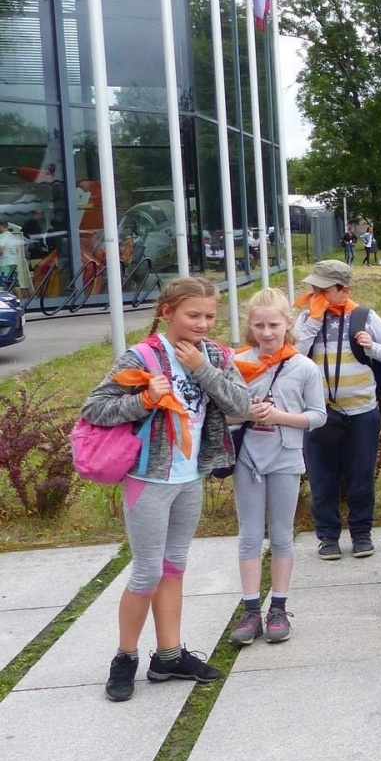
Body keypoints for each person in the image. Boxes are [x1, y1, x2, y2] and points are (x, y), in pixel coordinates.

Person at [83, 278, 253, 701]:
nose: (202, 323)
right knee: (147, 571)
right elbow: (94, 409)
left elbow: (241, 405)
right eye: (193, 315)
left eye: (210, 316)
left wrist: (202, 369)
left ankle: (169, 655)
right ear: (167, 312)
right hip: (149, 480)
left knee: (174, 565)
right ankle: (125, 658)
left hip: (189, 477)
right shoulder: (142, 356)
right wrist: (141, 402)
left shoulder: (213, 354)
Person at [227, 289, 327, 648]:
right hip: (247, 458)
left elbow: (318, 416)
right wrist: (246, 414)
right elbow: (220, 414)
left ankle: (279, 607)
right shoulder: (236, 364)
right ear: (249, 327)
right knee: (250, 533)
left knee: (282, 534)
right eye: (259, 325)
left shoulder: (303, 367)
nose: (267, 332)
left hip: (285, 457)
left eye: (274, 324)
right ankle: (251, 608)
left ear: (288, 323)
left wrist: (279, 416)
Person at [294, 260, 381, 561]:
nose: (317, 294)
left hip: (361, 410)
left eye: (324, 290)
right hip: (319, 411)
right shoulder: (306, 317)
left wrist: (372, 347)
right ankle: (327, 536)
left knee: (360, 473)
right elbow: (293, 355)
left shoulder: (364, 316)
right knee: (321, 475)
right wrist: (313, 321)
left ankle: (361, 533)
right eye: (314, 288)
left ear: (344, 290)